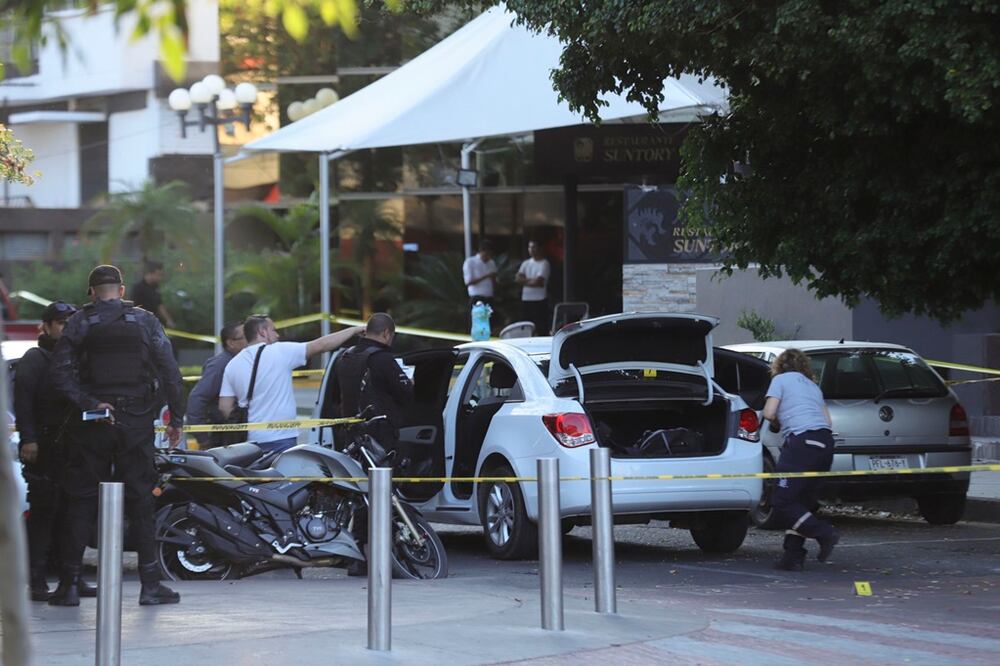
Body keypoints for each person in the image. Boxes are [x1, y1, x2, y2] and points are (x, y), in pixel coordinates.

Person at [50, 265, 186, 606]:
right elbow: (170, 371)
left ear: (93, 292)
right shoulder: (145, 321)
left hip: (94, 423)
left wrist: (92, 402)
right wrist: (177, 418)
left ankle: (69, 585)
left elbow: (60, 374)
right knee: (142, 502)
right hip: (136, 423)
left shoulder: (80, 322)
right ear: (122, 290)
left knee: (81, 501)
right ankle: (150, 586)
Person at [14, 300, 96, 601]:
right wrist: (29, 439)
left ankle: (71, 578)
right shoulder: (36, 358)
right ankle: (36, 581)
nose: (67, 328)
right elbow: (23, 402)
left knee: (74, 517)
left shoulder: (79, 358)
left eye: (71, 322)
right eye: (61, 323)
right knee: (44, 517)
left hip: (76, 449)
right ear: (46, 326)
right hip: (46, 449)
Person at [219, 315, 363, 455]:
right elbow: (321, 345)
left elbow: (224, 407)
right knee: (281, 478)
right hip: (281, 439)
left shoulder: (232, 365)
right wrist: (353, 330)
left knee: (254, 478)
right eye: (273, 330)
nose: (277, 335)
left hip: (248, 442)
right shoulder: (280, 352)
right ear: (263, 332)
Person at [762, 348, 839, 571]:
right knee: (802, 502)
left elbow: (769, 413)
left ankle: (824, 533)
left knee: (782, 500)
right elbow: (827, 420)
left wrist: (777, 422)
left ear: (779, 366)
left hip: (802, 444)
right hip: (824, 444)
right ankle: (792, 556)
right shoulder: (813, 386)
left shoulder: (780, 380)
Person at [328, 313, 414, 454]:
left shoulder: (344, 357)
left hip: (350, 434)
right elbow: (405, 392)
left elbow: (335, 397)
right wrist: (410, 382)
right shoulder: (383, 358)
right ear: (386, 333)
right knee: (380, 475)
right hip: (378, 436)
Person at [186, 321, 247, 448]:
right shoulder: (220, 365)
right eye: (245, 336)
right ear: (231, 343)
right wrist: (203, 438)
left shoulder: (242, 361)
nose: (250, 339)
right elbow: (197, 398)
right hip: (226, 440)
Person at [515, 240, 551, 335]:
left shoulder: (544, 263)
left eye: (534, 247)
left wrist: (525, 281)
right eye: (529, 247)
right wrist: (531, 280)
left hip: (539, 300)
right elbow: (518, 279)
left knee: (541, 327)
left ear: (539, 248)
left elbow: (539, 282)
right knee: (525, 326)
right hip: (526, 299)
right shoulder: (526, 263)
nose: (531, 250)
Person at [463, 240, 497, 329]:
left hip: (489, 298)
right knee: (478, 326)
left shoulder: (491, 263)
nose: (488, 257)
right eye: (486, 254)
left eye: (490, 255)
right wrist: (486, 276)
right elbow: (468, 282)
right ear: (481, 251)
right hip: (477, 298)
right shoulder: (470, 262)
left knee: (489, 325)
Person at [130, 260, 175, 329]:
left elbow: (159, 304)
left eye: (161, 275)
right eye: (158, 275)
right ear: (150, 273)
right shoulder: (138, 288)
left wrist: (168, 320)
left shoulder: (155, 287)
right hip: (141, 324)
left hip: (154, 324)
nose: (160, 278)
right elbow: (133, 308)